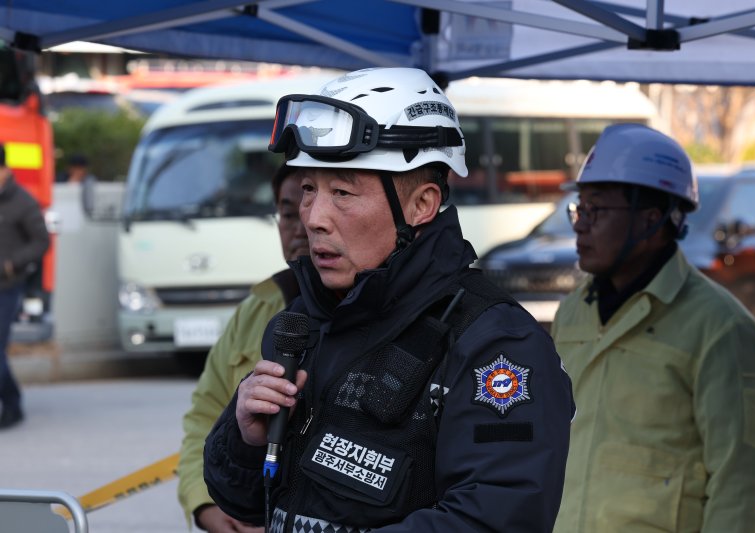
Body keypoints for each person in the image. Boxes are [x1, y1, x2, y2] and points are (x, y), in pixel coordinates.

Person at [204, 67, 575, 532]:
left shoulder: (495, 344)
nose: (313, 218)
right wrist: (246, 438)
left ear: (421, 205)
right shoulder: (308, 317)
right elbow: (243, 503)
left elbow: (495, 520)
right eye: (308, 190)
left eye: (342, 192)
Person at [550, 124, 755, 532]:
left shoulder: (722, 327)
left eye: (596, 210)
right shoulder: (572, 312)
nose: (580, 225)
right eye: (578, 209)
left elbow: (740, 478)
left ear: (651, 220)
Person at [178, 163, 308, 532]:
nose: (302, 226)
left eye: (311, 204)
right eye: (287, 212)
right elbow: (204, 417)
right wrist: (206, 504)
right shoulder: (256, 310)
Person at [0, 143, 50, 429]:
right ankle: (12, 399)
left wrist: (11, 263)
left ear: (5, 169)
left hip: (7, 286)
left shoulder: (22, 202)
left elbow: (41, 241)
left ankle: (12, 406)